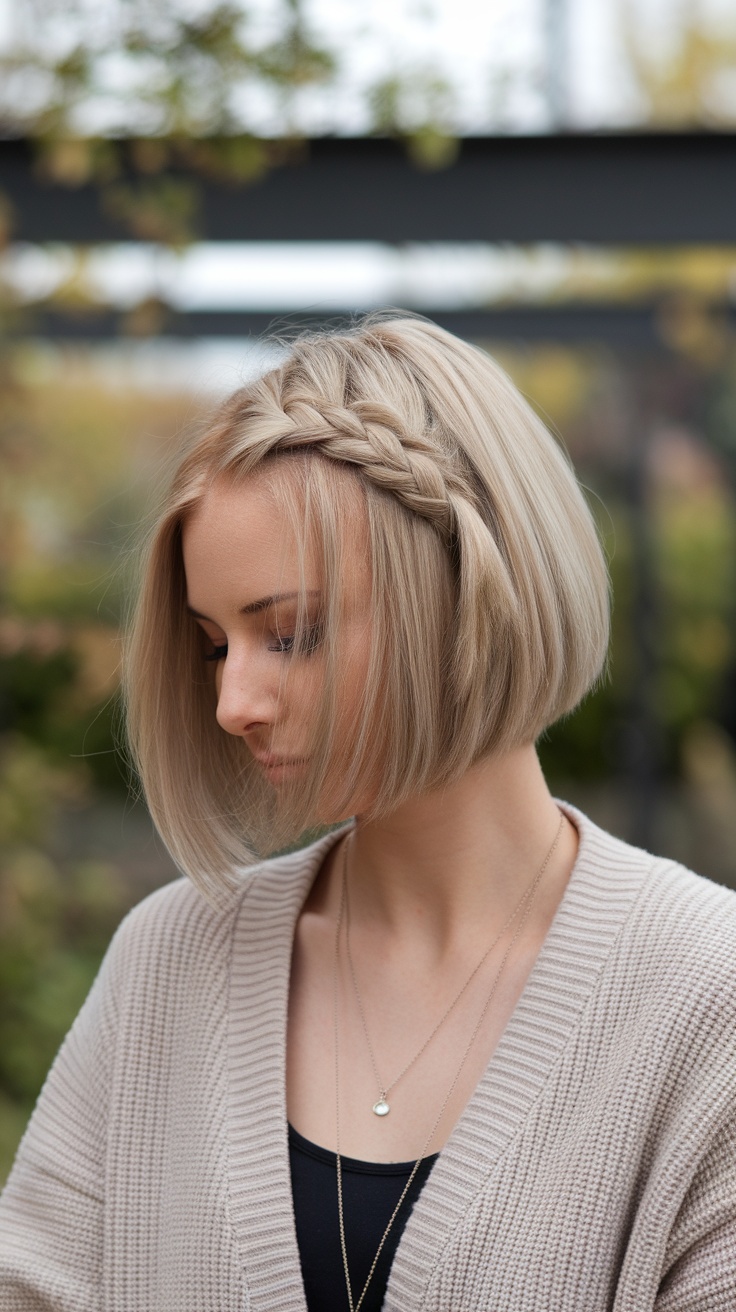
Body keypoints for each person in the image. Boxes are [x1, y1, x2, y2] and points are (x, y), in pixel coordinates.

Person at [1, 313, 735, 1312]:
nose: (231, 703)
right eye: (215, 643)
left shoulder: (705, 1001)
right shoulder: (165, 967)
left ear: (470, 596)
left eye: (290, 633)